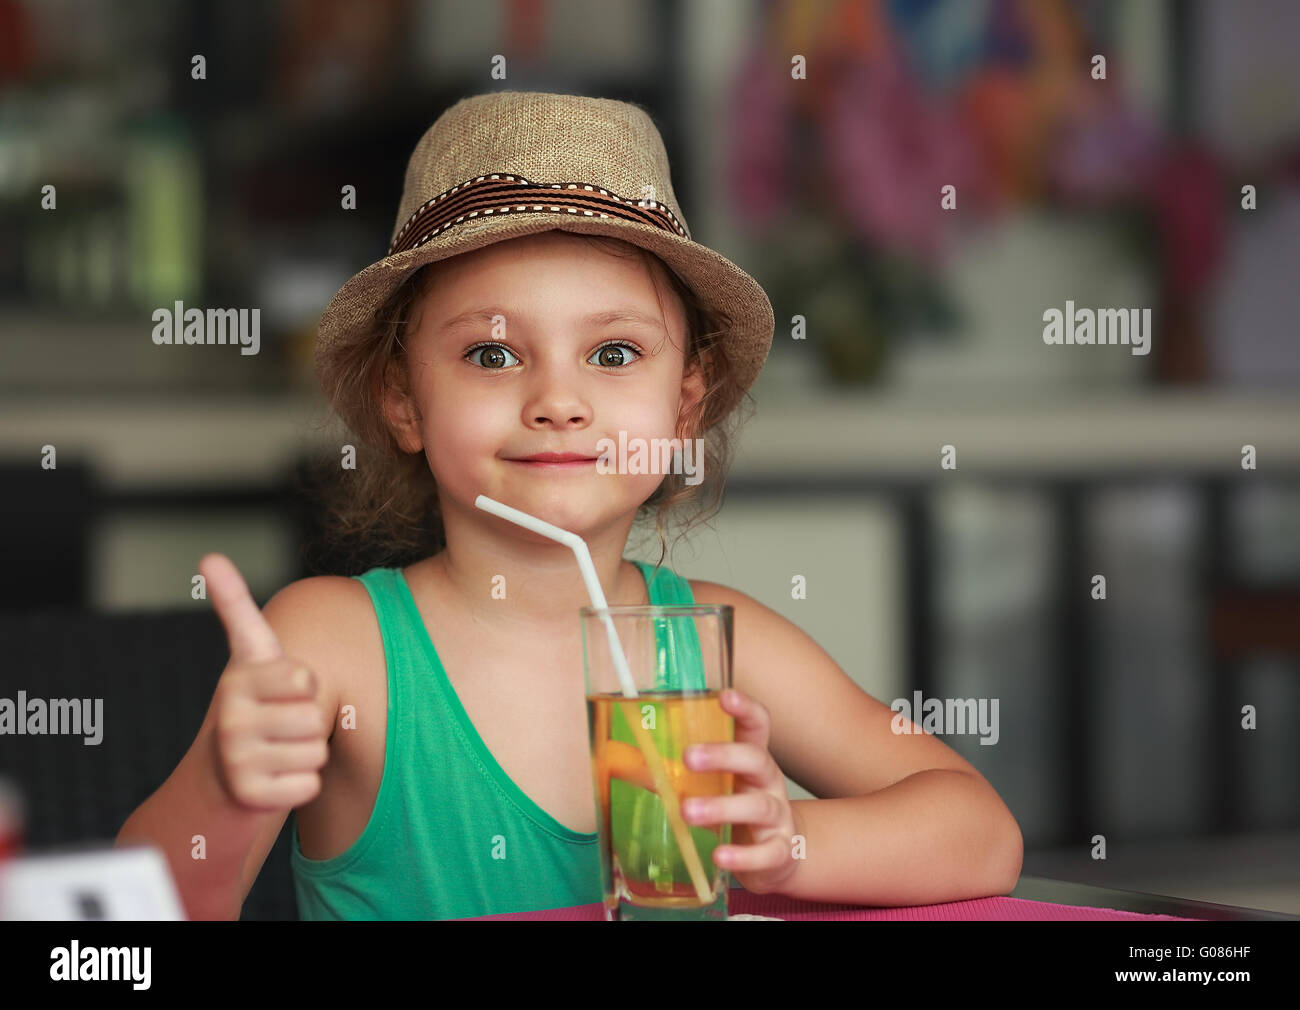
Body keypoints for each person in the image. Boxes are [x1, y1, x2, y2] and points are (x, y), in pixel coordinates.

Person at [116, 91, 1022, 920]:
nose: (559, 400)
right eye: (493, 355)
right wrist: (225, 790)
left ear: (685, 403)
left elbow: (982, 833)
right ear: (403, 401)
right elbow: (127, 927)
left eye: (615, 355)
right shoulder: (336, 645)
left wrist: (789, 845)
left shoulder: (717, 647)